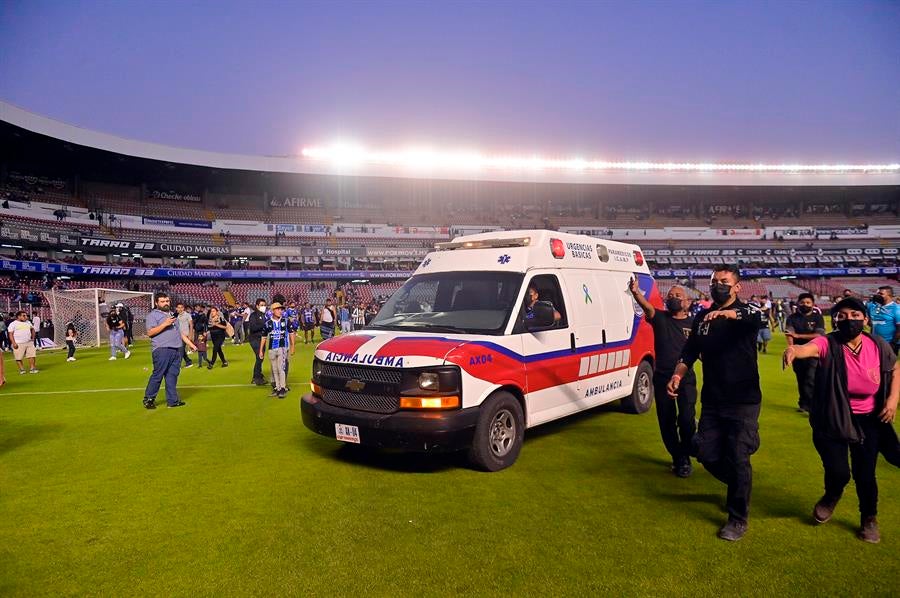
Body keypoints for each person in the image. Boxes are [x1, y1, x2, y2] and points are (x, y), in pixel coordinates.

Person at [782, 297, 899, 543]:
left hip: (869, 419)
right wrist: (794, 349)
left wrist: (891, 401)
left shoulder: (877, 344)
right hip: (832, 418)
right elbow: (809, 348)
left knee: (865, 474)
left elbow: (894, 369)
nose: (849, 320)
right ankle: (831, 496)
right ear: (835, 320)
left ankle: (869, 518)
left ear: (865, 319)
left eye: (855, 316)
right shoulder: (829, 342)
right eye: (842, 316)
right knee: (838, 471)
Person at [667, 265, 763, 542]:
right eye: (713, 281)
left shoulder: (747, 313)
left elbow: (753, 315)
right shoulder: (702, 319)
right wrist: (677, 375)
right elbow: (690, 352)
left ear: (736, 287)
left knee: (737, 453)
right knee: (705, 453)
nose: (717, 285)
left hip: (743, 398)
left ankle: (737, 517)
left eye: (724, 281)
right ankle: (739, 483)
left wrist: (728, 313)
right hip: (713, 399)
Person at [629, 278, 696, 477]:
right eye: (670, 296)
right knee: (667, 422)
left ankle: (687, 448)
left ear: (687, 302)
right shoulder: (660, 318)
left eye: (678, 296)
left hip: (686, 379)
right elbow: (648, 308)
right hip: (662, 379)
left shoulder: (694, 324)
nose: (673, 298)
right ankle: (679, 458)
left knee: (686, 420)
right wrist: (636, 293)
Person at [143, 293, 197, 409]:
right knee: (158, 374)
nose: (166, 303)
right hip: (162, 349)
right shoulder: (153, 315)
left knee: (172, 376)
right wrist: (165, 324)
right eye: (162, 301)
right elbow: (150, 333)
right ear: (156, 303)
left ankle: (172, 400)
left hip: (176, 349)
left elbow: (179, 332)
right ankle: (149, 399)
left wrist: (190, 344)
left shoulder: (172, 315)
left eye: (167, 301)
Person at [785, 293, 826, 413]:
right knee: (801, 378)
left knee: (810, 377)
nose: (805, 305)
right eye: (802, 302)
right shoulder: (792, 317)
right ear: (798, 303)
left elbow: (819, 334)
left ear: (813, 304)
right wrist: (791, 349)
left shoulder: (817, 317)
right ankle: (803, 403)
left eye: (808, 303)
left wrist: (798, 335)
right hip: (797, 352)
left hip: (814, 351)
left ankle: (813, 404)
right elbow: (789, 333)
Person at [259, 302, 296, 399]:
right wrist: (261, 350)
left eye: (281, 309)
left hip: (282, 348)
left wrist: (292, 346)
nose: (280, 311)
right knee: (274, 369)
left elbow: (292, 333)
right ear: (273, 311)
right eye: (278, 309)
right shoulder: (268, 323)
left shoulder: (286, 321)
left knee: (281, 368)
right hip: (271, 348)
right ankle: (278, 388)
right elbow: (263, 337)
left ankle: (282, 388)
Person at [866, 286, 900, 354]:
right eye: (877, 293)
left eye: (881, 294)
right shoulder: (871, 306)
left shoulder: (896, 309)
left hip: (889, 343)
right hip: (874, 342)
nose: (878, 295)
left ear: (889, 295)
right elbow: (870, 322)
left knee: (888, 364)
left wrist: (892, 343)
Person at [247, 298, 268, 385]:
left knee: (260, 358)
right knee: (259, 357)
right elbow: (253, 328)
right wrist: (264, 324)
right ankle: (256, 377)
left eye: (264, 305)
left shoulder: (264, 315)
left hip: (262, 339)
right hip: (255, 339)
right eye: (261, 305)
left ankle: (258, 374)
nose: (263, 307)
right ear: (257, 306)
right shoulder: (253, 316)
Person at [175, 302, 194, 368]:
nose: (180, 309)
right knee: (181, 350)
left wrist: (190, 335)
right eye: (179, 307)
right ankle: (188, 361)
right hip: (177, 335)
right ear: (176, 308)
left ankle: (178, 365)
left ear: (184, 308)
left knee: (181, 349)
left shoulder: (187, 315)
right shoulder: (175, 315)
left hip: (185, 335)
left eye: (181, 307)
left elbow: (191, 325)